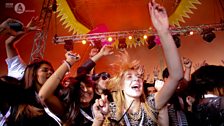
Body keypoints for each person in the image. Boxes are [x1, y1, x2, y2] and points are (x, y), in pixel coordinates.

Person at [94, 1, 183, 125]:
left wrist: (163, 31)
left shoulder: (152, 104)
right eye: (129, 77)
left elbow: (176, 76)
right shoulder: (111, 110)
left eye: (139, 77)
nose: (136, 79)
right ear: (120, 85)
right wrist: (99, 119)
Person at [38, 45, 113, 126]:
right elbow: (43, 95)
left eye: (88, 86)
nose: (86, 90)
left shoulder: (99, 102)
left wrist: (101, 53)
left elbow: (83, 70)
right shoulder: (68, 110)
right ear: (74, 91)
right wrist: (68, 63)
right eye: (80, 88)